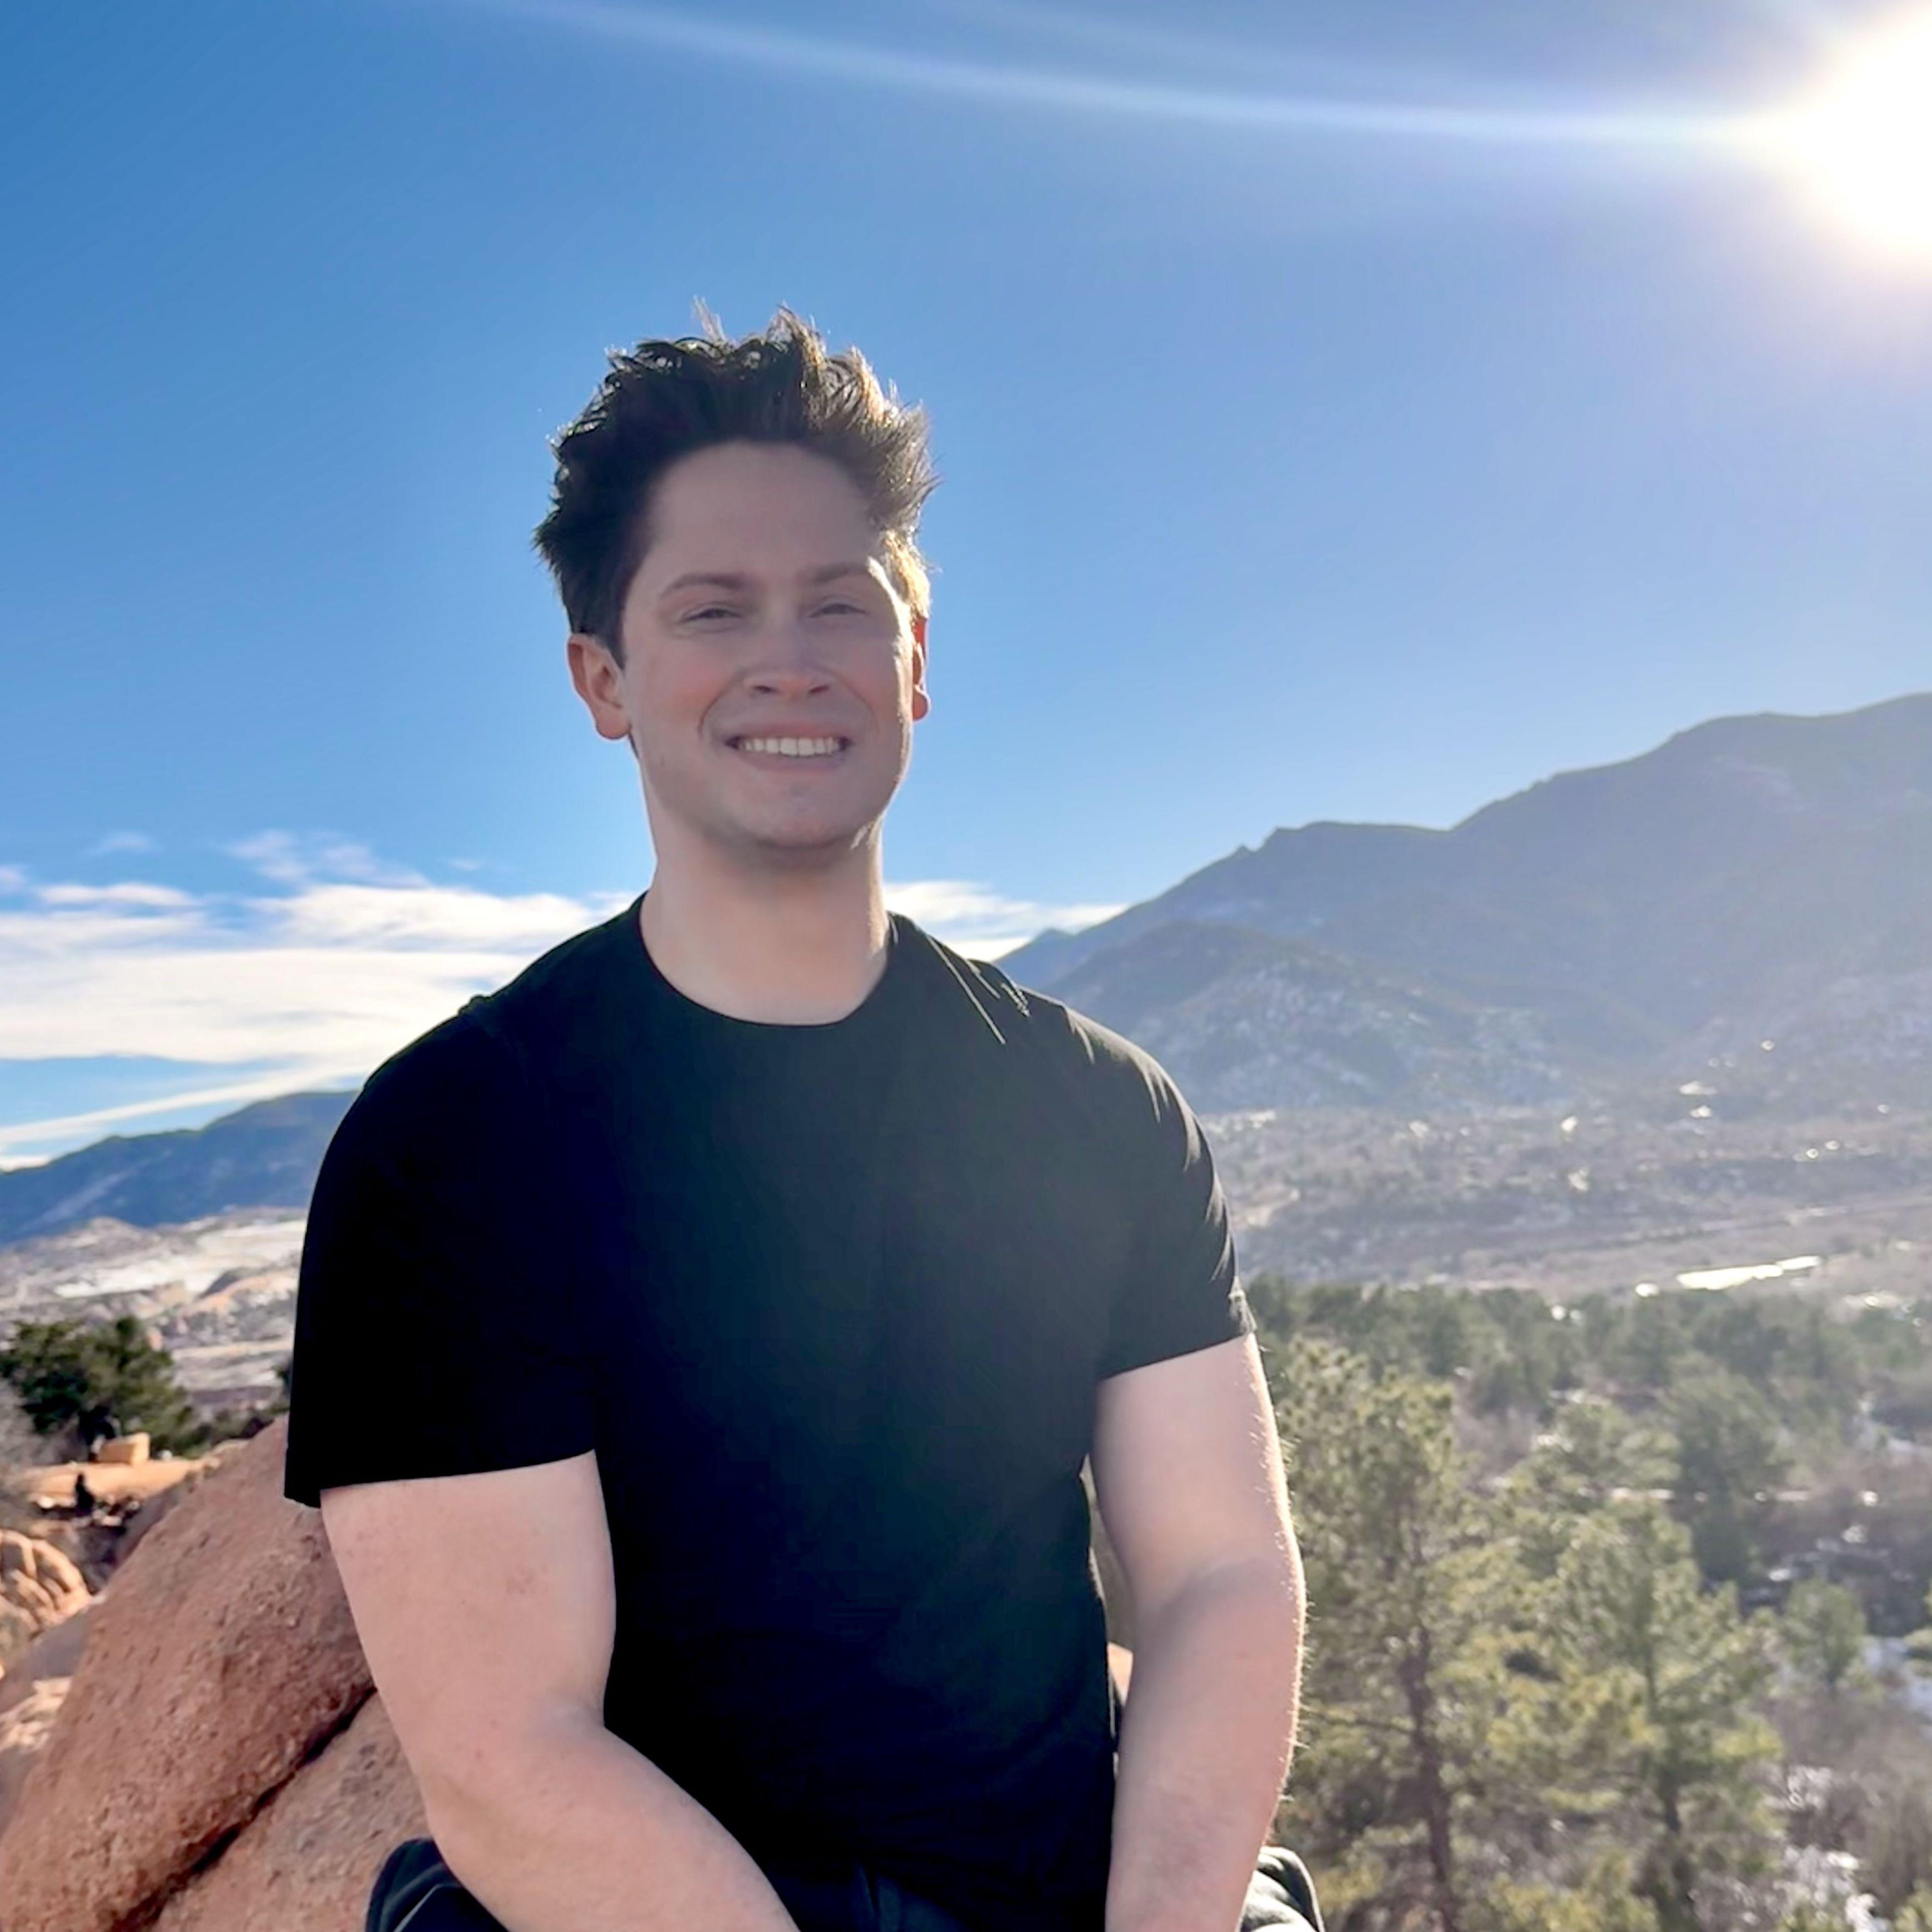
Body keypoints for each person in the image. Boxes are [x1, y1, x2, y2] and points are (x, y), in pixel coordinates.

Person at [283, 312, 1311, 1932]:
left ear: (914, 657)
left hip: (1063, 1886)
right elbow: (508, 1752)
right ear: (604, 681)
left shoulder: (1100, 1109)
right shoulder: (454, 1146)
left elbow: (1220, 1580)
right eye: (714, 609)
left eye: (842, 602)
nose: (792, 659)